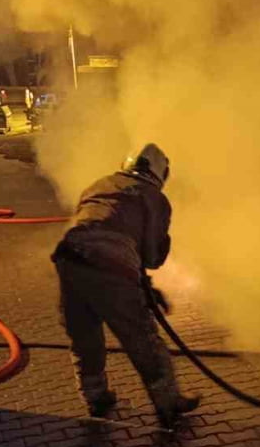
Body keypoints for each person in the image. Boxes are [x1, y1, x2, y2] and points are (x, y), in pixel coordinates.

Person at [52, 143, 200, 428]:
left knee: (84, 334)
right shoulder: (154, 198)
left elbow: (90, 226)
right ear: (160, 173)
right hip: (111, 265)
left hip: (70, 259)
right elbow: (151, 257)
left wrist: (144, 286)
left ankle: (95, 397)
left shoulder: (100, 184)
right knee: (142, 338)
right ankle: (168, 403)